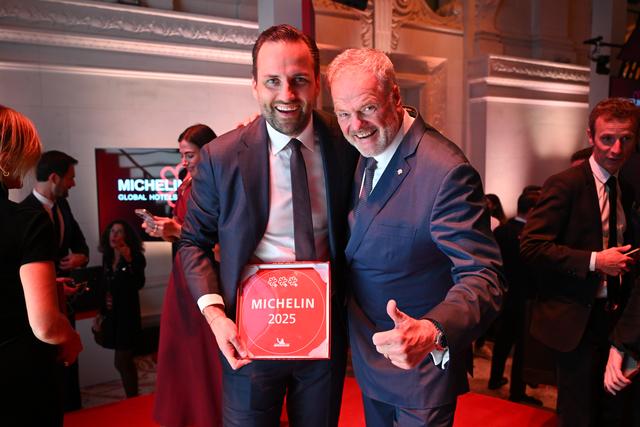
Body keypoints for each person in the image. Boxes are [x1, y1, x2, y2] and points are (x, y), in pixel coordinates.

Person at [178, 24, 357, 427]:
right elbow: (192, 243)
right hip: (249, 335)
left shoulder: (346, 142)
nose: (287, 95)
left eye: (299, 80)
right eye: (273, 81)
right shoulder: (220, 157)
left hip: (323, 335)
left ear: (317, 84)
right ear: (255, 85)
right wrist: (216, 315)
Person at [326, 48, 504, 427]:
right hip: (371, 359)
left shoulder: (446, 172)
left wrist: (432, 329)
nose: (356, 125)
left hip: (421, 368)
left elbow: (485, 278)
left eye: (368, 108)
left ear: (395, 96)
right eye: (343, 114)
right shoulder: (361, 148)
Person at [520, 97, 639, 427]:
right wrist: (595, 261)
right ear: (590, 136)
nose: (616, 149)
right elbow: (531, 247)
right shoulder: (565, 184)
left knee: (614, 409)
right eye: (607, 139)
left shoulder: (627, 189)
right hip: (576, 321)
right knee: (579, 414)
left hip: (615, 320)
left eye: (626, 139)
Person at [0, 105, 82, 426]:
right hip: (18, 380)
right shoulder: (25, 220)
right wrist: (71, 338)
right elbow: (46, 325)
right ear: (7, 157)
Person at [148, 124, 223, 427]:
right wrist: (166, 230)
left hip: (205, 275)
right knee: (181, 348)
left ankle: (210, 416)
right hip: (182, 272)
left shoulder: (218, 183)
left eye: (189, 155)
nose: (184, 162)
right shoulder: (188, 182)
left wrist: (176, 230)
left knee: (204, 348)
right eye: (182, 155)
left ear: (209, 152)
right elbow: (184, 233)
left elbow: (219, 245)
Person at [20, 149, 89, 410]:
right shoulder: (23, 213)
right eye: (71, 177)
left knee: (71, 367)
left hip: (66, 302)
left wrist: (80, 257)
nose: (74, 183)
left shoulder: (63, 206)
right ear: (54, 178)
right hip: (40, 310)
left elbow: (81, 245)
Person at [488, 189, 542, 405]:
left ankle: (494, 378)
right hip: (525, 297)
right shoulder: (531, 235)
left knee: (502, 339)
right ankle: (517, 392)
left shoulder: (502, 231)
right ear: (532, 210)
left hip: (504, 293)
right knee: (521, 346)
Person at [96, 220, 146, 398]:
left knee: (122, 361)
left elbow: (138, 283)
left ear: (127, 237)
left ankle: (132, 399)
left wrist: (130, 260)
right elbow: (105, 287)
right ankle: (133, 397)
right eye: (112, 231)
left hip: (128, 318)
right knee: (124, 362)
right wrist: (101, 313)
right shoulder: (108, 257)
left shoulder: (136, 256)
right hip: (113, 316)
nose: (114, 235)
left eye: (119, 232)